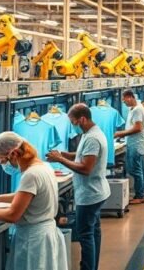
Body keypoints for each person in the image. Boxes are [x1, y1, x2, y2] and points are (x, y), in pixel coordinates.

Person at [0, 132, 66, 270]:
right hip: (44, 233)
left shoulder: (31, 175)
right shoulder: (43, 166)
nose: (5, 166)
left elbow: (12, 215)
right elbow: (26, 195)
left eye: (4, 161)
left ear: (14, 154)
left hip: (34, 239)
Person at [47, 105, 111, 270]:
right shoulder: (89, 134)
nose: (72, 124)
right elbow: (81, 155)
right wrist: (62, 155)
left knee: (85, 235)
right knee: (93, 231)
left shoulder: (92, 138)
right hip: (96, 191)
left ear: (82, 118)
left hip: (90, 194)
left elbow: (85, 168)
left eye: (73, 121)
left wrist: (61, 161)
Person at [114, 90, 144, 204]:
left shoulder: (137, 110)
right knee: (139, 169)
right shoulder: (134, 108)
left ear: (130, 97)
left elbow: (138, 128)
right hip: (135, 143)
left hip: (136, 144)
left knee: (136, 170)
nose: (124, 102)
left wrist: (120, 134)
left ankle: (140, 195)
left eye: (124, 100)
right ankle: (142, 191)